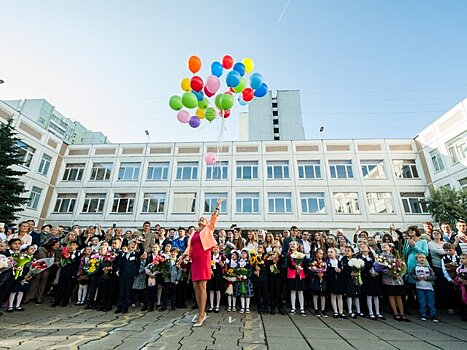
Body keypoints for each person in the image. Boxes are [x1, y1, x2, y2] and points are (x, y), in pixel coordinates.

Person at [182, 198, 223, 327]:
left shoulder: (208, 230)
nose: (201, 220)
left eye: (203, 219)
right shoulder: (194, 233)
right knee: (195, 286)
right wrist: (182, 257)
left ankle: (201, 314)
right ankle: (201, 312)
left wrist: (217, 207)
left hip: (204, 258)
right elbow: (190, 247)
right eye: (199, 219)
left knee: (202, 286)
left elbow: (213, 220)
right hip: (195, 260)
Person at [411, 253, 438, 322]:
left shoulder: (428, 268)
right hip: (419, 287)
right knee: (422, 302)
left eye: (423, 257)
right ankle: (423, 314)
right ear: (416, 259)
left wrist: (428, 278)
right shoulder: (415, 268)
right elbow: (412, 274)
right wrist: (417, 277)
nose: (422, 259)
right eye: (420, 257)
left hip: (429, 288)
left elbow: (434, 277)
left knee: (431, 302)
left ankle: (433, 314)